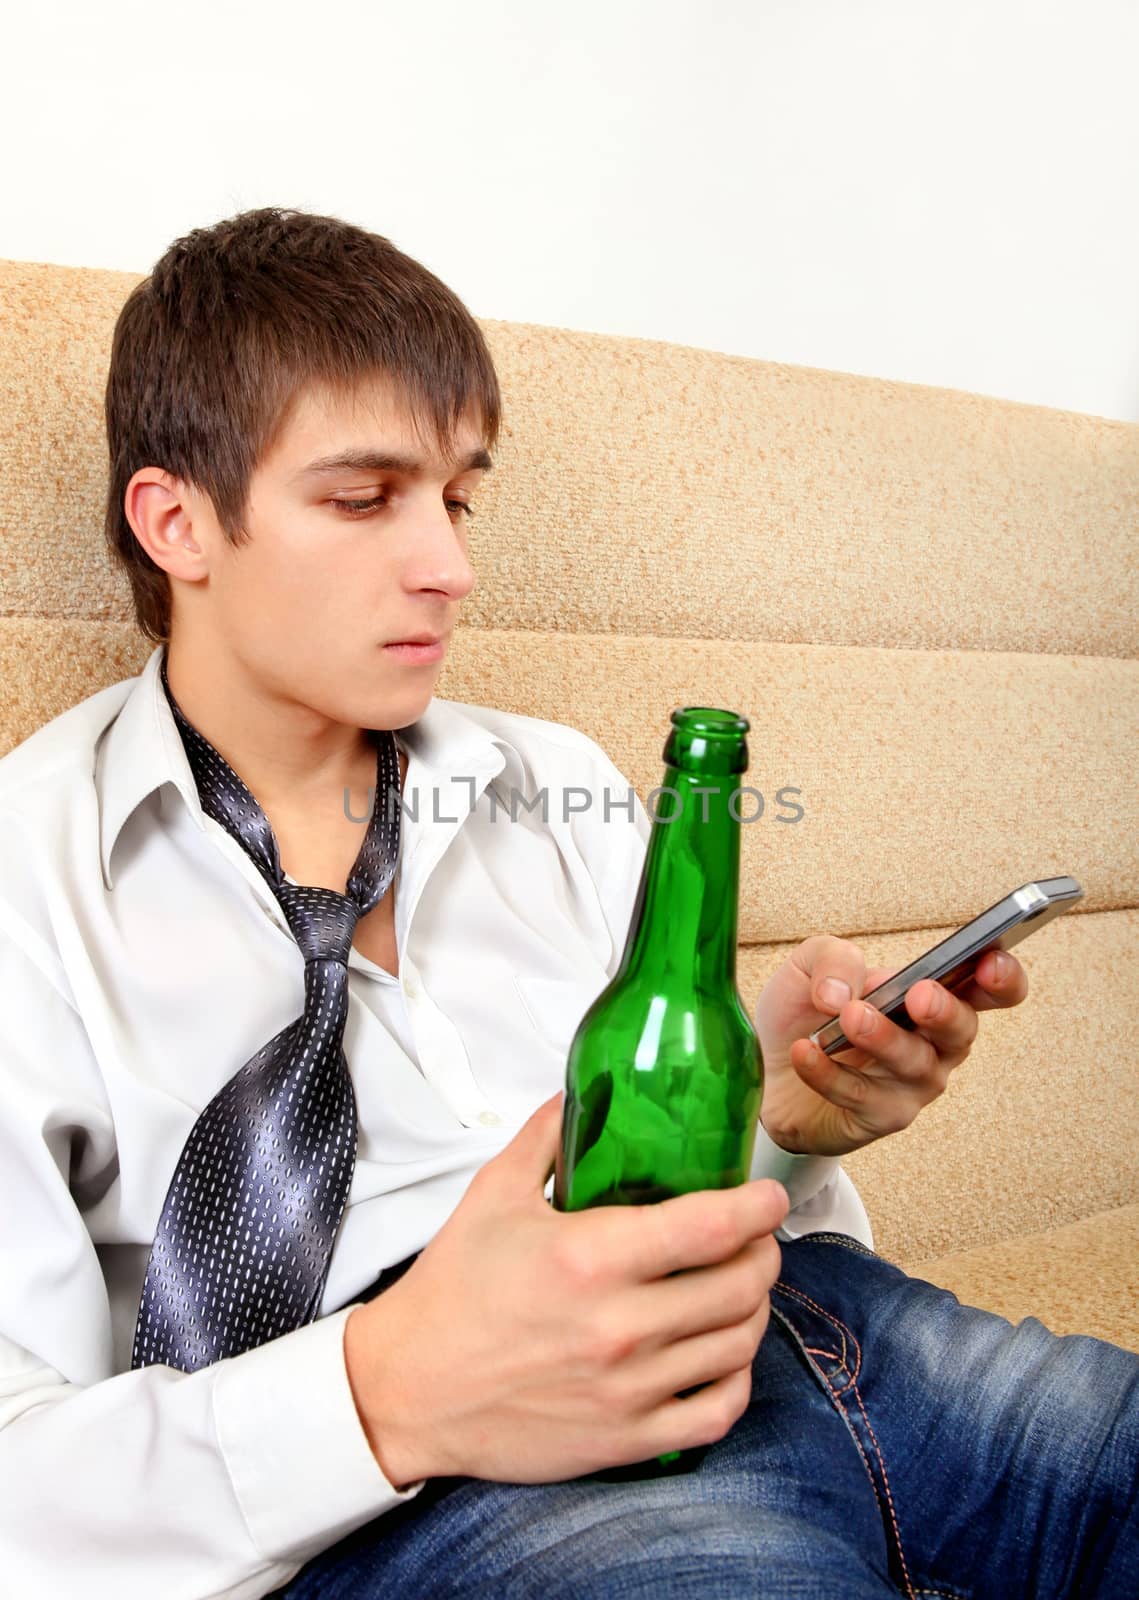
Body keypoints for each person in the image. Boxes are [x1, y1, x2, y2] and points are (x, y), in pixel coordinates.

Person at [0, 206, 1134, 1600]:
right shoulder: (28, 884)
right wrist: (392, 1387)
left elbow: (685, 1197)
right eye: (365, 500)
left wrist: (779, 1123)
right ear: (176, 521)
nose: (450, 569)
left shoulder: (558, 786)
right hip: (451, 1483)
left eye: (459, 499)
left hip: (831, 1332)